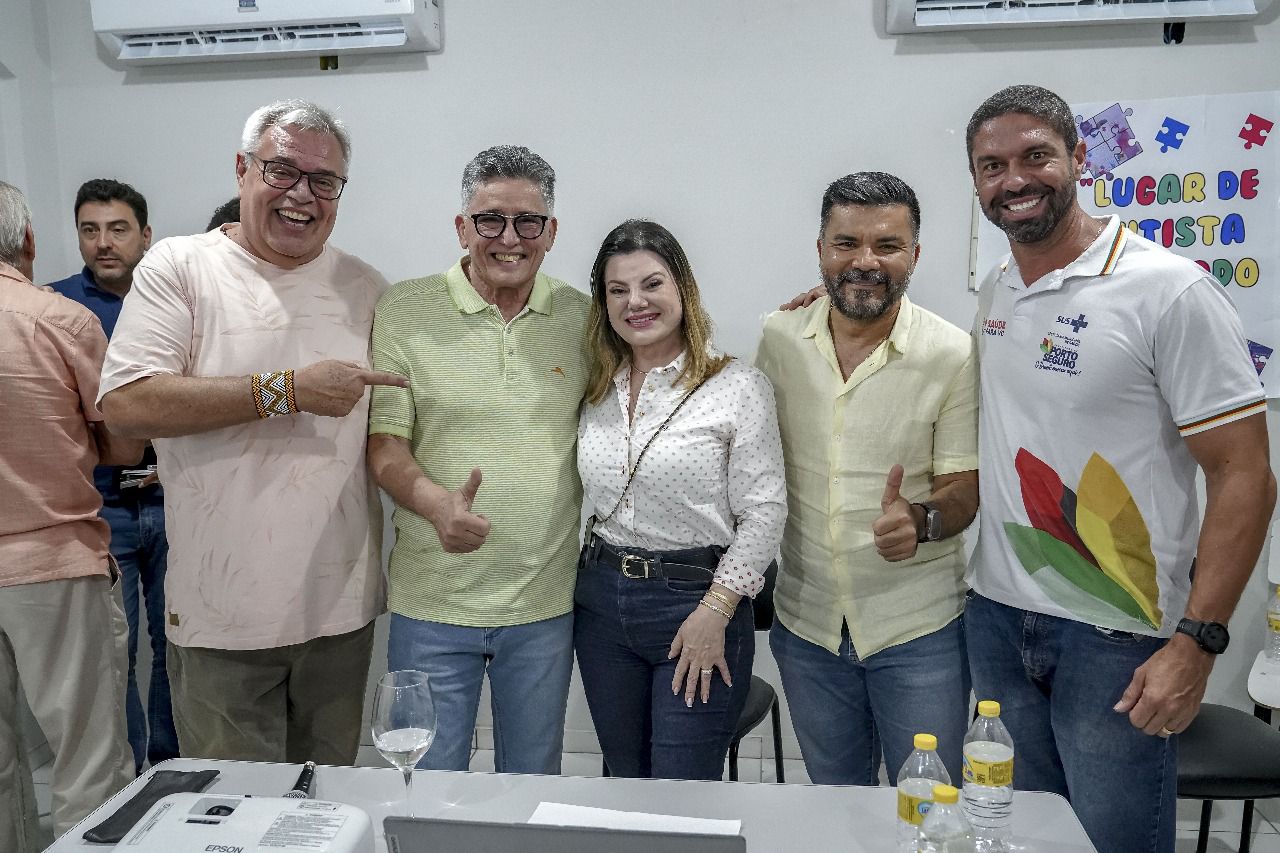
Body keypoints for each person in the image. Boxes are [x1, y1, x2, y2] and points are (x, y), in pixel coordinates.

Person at [965, 84, 1275, 853]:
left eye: (1035, 155)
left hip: (1118, 634)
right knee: (1020, 836)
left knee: (1114, 841)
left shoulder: (1170, 290)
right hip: (997, 615)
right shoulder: (998, 286)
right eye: (992, 165)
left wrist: (1198, 641)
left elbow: (1244, 474)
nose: (1013, 179)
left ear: (1079, 157)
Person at [98, 99, 407, 765]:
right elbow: (124, 404)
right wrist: (285, 390)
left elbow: (393, 435)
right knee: (236, 810)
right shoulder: (180, 266)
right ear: (242, 169)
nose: (302, 194)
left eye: (324, 180)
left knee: (325, 804)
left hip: (338, 615)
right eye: (282, 170)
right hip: (220, 620)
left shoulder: (367, 288)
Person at [367, 145, 590, 774]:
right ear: (462, 227)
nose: (509, 238)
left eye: (528, 222)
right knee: (426, 784)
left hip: (543, 603)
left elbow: (665, 341)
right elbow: (384, 443)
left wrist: (821, 300)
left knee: (532, 785)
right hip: (432, 602)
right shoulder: (405, 308)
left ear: (551, 231)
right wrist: (437, 505)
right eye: (491, 219)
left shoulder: (583, 318)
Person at [756, 172, 978, 785]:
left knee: (929, 806)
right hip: (807, 627)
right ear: (821, 249)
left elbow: (964, 486)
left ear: (915, 254)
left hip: (918, 629)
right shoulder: (779, 338)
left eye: (887, 245)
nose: (865, 261)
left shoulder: (952, 353)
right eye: (846, 243)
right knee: (836, 803)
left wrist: (922, 520)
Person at [575, 219, 786, 780]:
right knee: (625, 777)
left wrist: (715, 611)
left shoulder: (736, 387)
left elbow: (764, 513)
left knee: (682, 788)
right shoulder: (595, 387)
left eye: (652, 284)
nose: (636, 302)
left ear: (682, 289)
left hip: (696, 601)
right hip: (601, 602)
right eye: (617, 290)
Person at [0, 181, 137, 851]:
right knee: (87, 760)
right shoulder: (60, 319)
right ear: (28, 239)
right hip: (52, 564)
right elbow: (128, 442)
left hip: (43, 564)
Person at [47, 178, 179, 775]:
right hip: (99, 511)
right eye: (90, 230)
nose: (103, 242)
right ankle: (129, 778)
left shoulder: (175, 297)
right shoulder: (57, 309)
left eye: (118, 229)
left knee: (177, 644)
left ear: (145, 236)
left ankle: (172, 765)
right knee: (114, 651)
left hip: (175, 503)